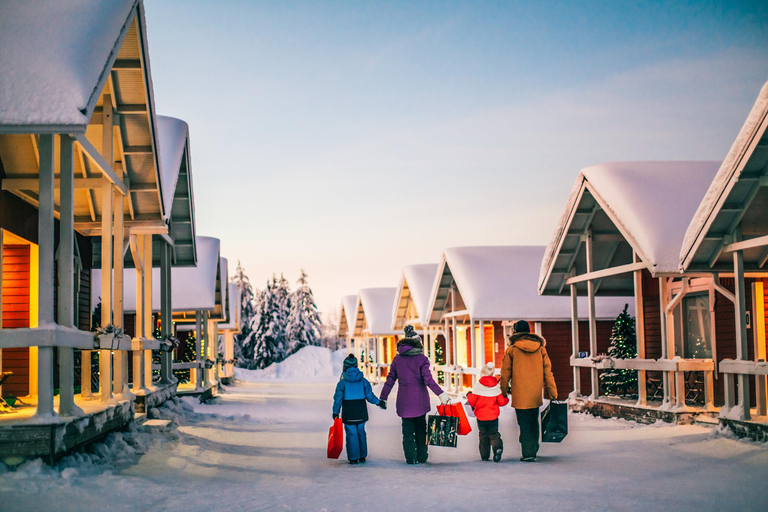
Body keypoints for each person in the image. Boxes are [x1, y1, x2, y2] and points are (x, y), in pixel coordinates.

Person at [379, 325, 450, 464]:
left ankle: (411, 458)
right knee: (420, 429)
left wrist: (383, 397)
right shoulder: (421, 359)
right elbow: (428, 380)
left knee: (407, 432)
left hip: (404, 402)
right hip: (419, 401)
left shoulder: (397, 360)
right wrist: (440, 393)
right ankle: (422, 456)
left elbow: (390, 380)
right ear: (418, 342)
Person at [499, 320, 557, 462]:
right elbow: (547, 372)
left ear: (515, 332)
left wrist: (504, 390)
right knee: (533, 421)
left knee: (524, 424)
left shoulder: (512, 349)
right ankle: (533, 447)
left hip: (520, 395)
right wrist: (552, 391)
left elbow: (505, 372)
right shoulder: (540, 348)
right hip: (535, 393)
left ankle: (528, 453)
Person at [333, 354, 384, 465]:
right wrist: (379, 402)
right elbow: (370, 396)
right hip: (361, 410)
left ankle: (353, 457)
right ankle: (362, 456)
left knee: (351, 433)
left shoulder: (342, 383)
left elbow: (338, 399)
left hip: (349, 411)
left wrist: (335, 412)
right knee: (361, 432)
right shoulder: (363, 381)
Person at [466, 362, 509, 462]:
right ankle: (497, 448)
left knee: (483, 435)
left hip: (481, 417)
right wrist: (506, 398)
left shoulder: (478, 386)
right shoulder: (496, 387)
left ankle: (484, 455)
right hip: (493, 417)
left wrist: (469, 395)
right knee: (494, 433)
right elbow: (501, 402)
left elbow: (472, 402)